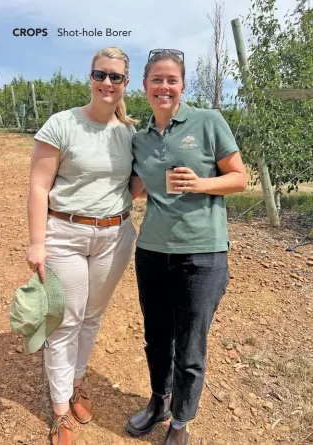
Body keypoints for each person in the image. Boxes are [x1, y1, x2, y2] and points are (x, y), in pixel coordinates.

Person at [127, 49, 248, 445]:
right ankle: (159, 401)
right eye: (156, 80)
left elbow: (240, 178)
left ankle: (181, 421)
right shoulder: (140, 139)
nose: (164, 87)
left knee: (191, 343)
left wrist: (201, 184)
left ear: (182, 85)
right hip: (151, 252)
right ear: (144, 86)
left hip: (202, 254)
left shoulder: (208, 121)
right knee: (156, 337)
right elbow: (138, 187)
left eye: (171, 80)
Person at [26, 47, 137, 445]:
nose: (107, 83)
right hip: (66, 234)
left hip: (115, 235)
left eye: (116, 77)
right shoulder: (62, 124)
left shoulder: (129, 133)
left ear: (126, 83)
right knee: (64, 321)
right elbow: (39, 186)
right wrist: (37, 242)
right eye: (100, 74)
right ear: (90, 78)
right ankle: (59, 410)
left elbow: (134, 187)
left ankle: (76, 381)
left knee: (92, 317)